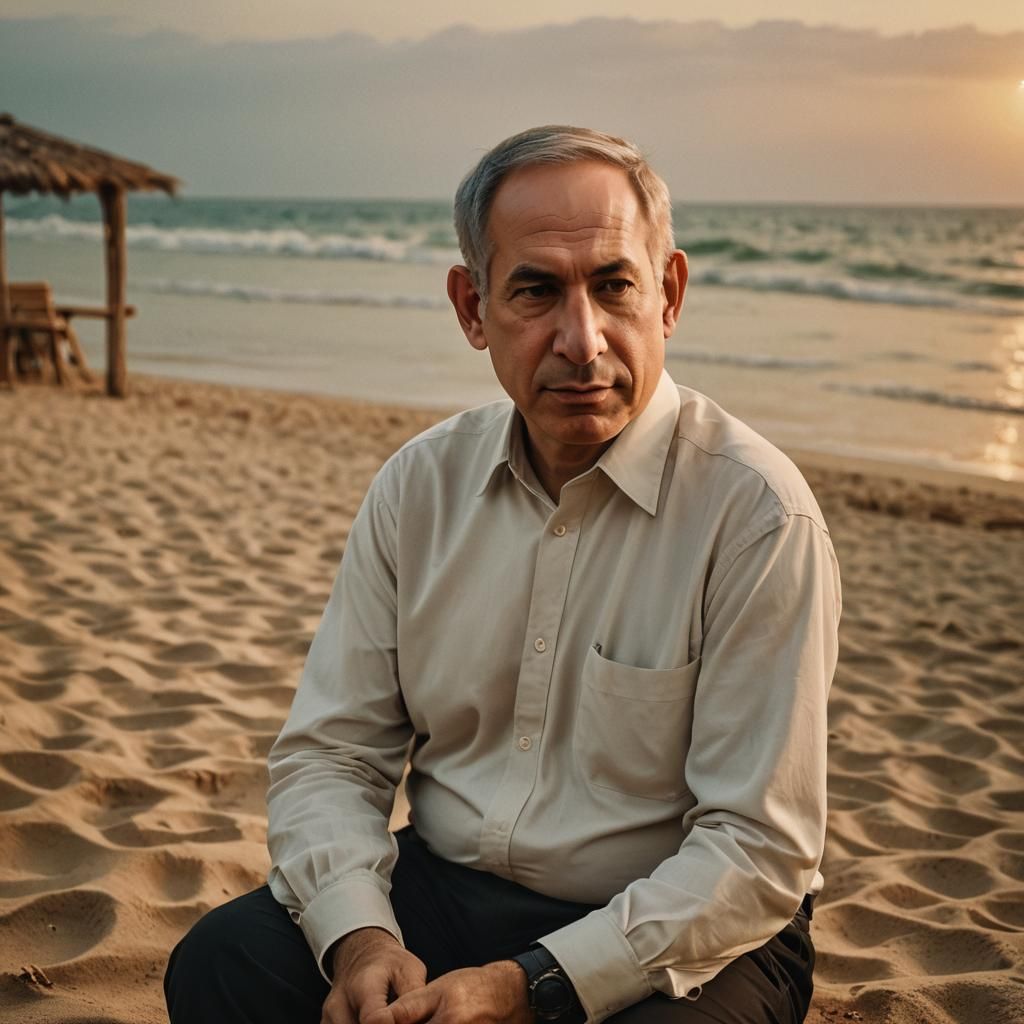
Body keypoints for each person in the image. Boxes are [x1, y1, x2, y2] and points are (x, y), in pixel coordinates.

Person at [165, 125, 841, 1024]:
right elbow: (332, 754)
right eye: (536, 291)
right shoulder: (420, 487)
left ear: (669, 294)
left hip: (688, 925)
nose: (582, 337)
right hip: (447, 890)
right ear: (472, 306)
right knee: (220, 966)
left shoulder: (757, 515)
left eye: (614, 286)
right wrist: (362, 938)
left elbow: (757, 850)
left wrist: (533, 988)